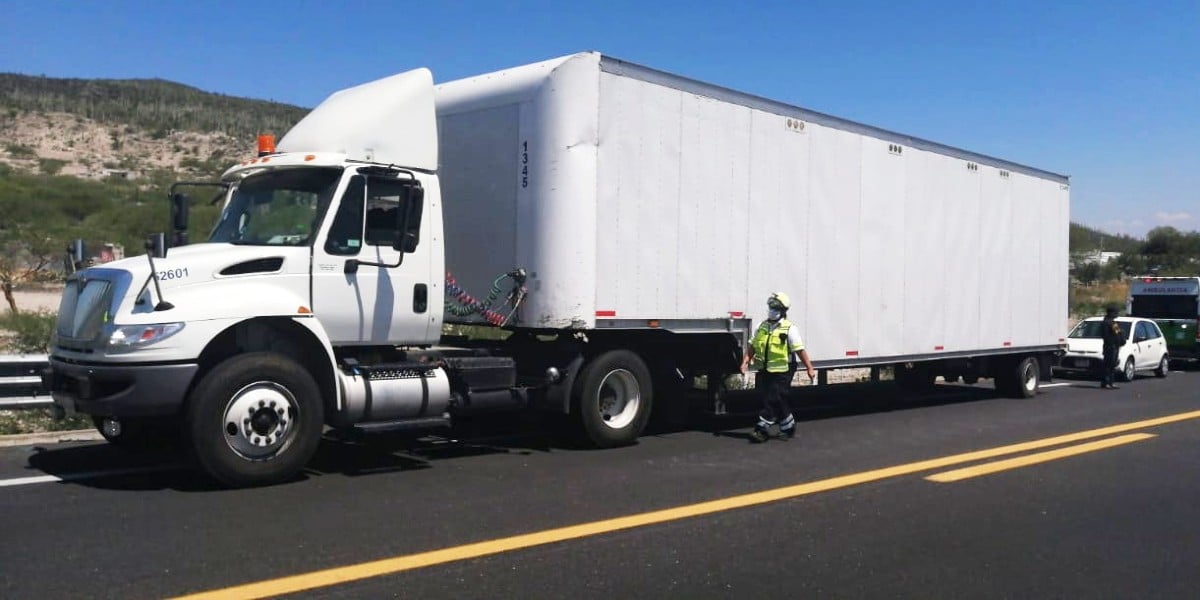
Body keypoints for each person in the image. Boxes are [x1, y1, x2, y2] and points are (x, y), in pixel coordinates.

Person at [740, 292, 817, 442]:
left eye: (775, 307)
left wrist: (810, 367)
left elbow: (800, 350)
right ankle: (788, 427)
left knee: (772, 398)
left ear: (782, 310)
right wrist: (745, 361)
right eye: (770, 306)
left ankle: (761, 429)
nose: (771, 310)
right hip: (766, 369)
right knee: (778, 399)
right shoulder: (762, 326)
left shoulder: (789, 329)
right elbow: (752, 346)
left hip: (784, 370)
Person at [1100, 305, 1125, 389]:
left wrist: (1121, 340)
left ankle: (1111, 382)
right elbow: (1106, 336)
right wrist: (1112, 342)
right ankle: (1106, 382)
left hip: (1115, 346)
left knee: (1113, 365)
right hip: (1109, 347)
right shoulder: (1106, 323)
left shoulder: (1113, 322)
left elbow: (1118, 333)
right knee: (1108, 365)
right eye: (1115, 312)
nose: (1116, 314)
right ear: (1110, 313)